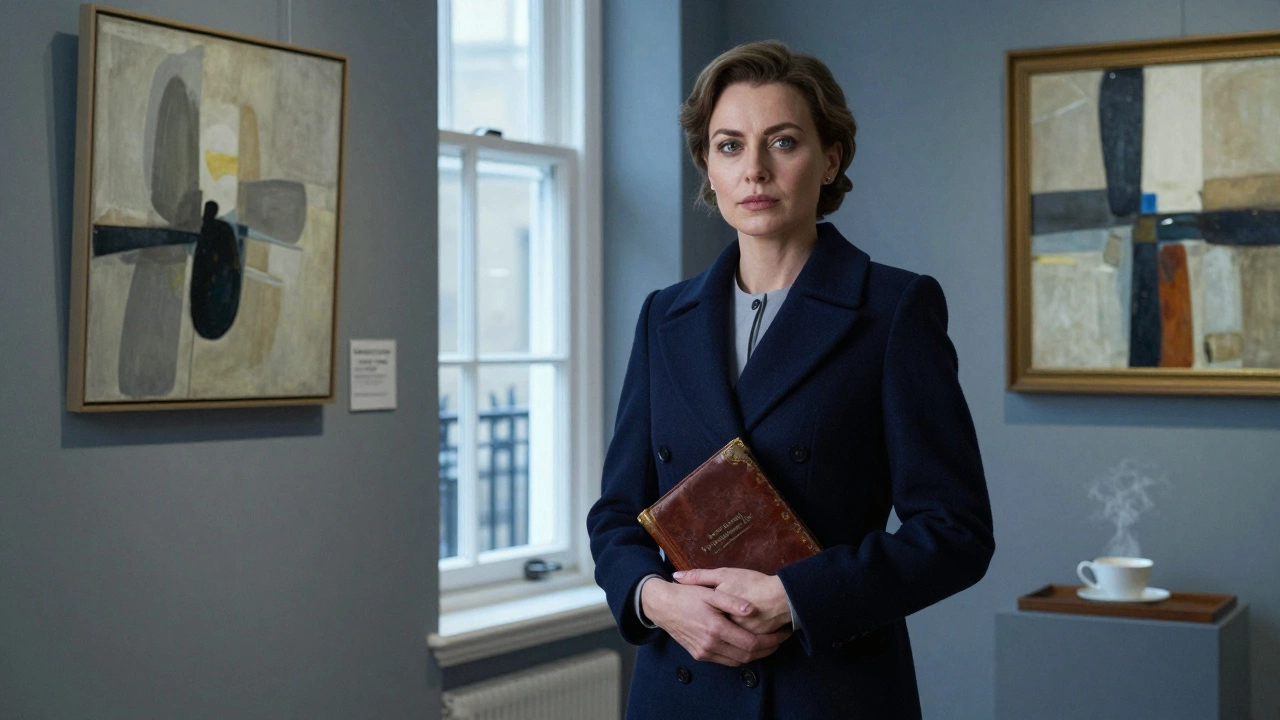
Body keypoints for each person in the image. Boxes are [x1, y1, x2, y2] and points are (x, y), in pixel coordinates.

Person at [587, 40, 995, 719]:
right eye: (728, 146)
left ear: (829, 157)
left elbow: (955, 531)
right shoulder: (664, 317)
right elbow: (615, 515)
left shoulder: (893, 311)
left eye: (782, 142)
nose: (754, 170)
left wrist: (797, 598)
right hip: (679, 685)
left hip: (826, 690)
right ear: (706, 167)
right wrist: (655, 600)